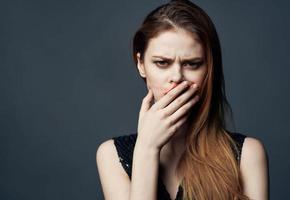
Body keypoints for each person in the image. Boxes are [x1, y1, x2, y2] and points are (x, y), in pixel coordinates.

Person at [96, 0, 268, 199]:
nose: (177, 77)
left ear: (209, 69)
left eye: (192, 64)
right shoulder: (111, 155)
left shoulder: (248, 156)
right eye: (162, 63)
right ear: (141, 64)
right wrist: (146, 150)